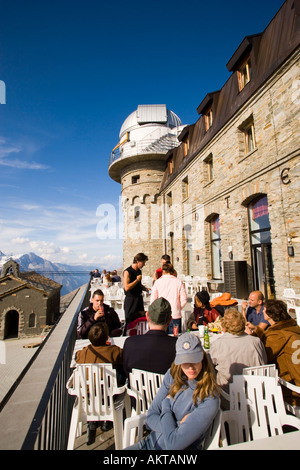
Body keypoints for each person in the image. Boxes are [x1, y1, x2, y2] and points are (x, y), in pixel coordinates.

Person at [125, 332, 220, 450]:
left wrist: (166, 405)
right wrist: (176, 427)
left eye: (194, 360)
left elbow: (173, 444)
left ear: (202, 356)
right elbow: (150, 418)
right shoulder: (172, 375)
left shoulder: (210, 398)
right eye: (185, 362)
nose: (190, 367)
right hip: (149, 443)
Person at [75, 323, 125, 441]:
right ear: (107, 338)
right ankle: (107, 422)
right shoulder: (113, 351)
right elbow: (123, 357)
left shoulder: (85, 352)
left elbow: (76, 358)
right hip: (109, 395)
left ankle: (92, 422)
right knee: (120, 372)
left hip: (88, 395)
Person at [253, 299, 300, 406]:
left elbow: (261, 355)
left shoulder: (278, 335)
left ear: (270, 315)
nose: (263, 312)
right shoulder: (293, 328)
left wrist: (257, 333)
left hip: (292, 388)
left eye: (264, 310)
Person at [208, 308, 267, 394]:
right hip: (256, 392)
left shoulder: (218, 344)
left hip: (228, 394)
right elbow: (264, 362)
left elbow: (209, 366)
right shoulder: (256, 341)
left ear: (224, 326)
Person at [122, 297, 177, 377]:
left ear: (147, 316)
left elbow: (126, 371)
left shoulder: (130, 343)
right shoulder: (177, 345)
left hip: (137, 388)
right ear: (170, 320)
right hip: (168, 388)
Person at [150, 262, 187, 334]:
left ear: (163, 271)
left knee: (162, 341)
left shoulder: (157, 282)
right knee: (175, 340)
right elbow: (184, 300)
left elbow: (153, 300)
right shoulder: (178, 282)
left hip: (161, 314)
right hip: (175, 314)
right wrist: (178, 307)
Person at [123, 253, 149, 330]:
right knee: (130, 322)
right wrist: (137, 280)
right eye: (143, 262)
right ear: (137, 261)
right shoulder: (127, 272)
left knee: (141, 321)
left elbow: (139, 285)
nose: (144, 265)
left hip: (139, 299)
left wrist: (146, 289)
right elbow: (126, 287)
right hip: (131, 300)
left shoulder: (139, 271)